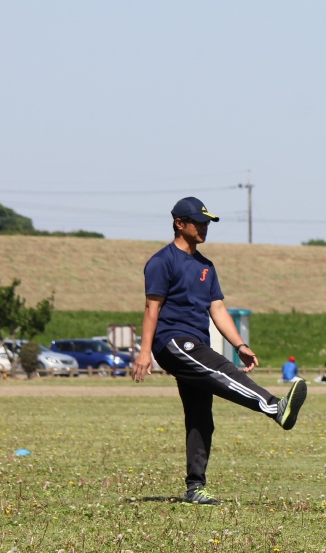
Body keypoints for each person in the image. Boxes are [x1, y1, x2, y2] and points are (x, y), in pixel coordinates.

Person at [131, 197, 306, 506]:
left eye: (207, 223)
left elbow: (218, 309)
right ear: (179, 224)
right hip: (173, 341)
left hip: (197, 342)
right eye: (198, 222)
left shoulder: (206, 266)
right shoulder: (162, 262)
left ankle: (195, 488)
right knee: (221, 370)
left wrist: (240, 344)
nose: (204, 227)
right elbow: (151, 308)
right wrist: (145, 351)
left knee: (200, 416)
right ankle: (274, 408)